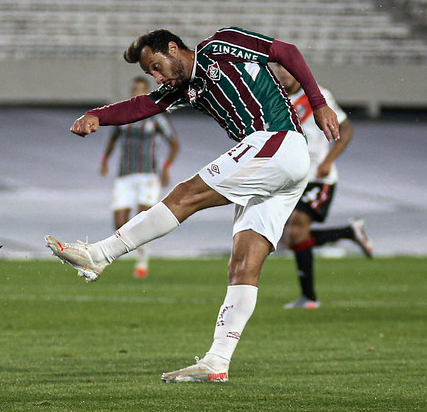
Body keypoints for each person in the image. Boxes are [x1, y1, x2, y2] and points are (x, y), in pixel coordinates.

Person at [45, 27, 339, 382]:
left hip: (276, 141)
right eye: (149, 73)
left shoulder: (221, 43)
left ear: (172, 48)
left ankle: (100, 255)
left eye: (156, 66)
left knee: (186, 194)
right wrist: (98, 115)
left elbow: (286, 52)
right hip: (281, 167)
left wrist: (319, 104)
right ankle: (218, 361)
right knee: (243, 264)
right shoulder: (183, 88)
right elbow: (144, 105)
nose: (156, 76)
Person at [273, 65, 373, 310]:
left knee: (296, 230)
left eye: (288, 71)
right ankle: (349, 232)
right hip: (291, 178)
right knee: (291, 237)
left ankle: (310, 298)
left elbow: (347, 129)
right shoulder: (274, 97)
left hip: (318, 177)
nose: (284, 75)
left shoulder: (317, 95)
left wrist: (328, 161)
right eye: (280, 71)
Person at [100, 77, 179, 278]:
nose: (138, 93)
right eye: (135, 90)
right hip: (124, 174)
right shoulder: (123, 115)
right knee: (119, 223)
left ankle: (142, 261)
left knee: (142, 221)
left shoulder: (156, 117)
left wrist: (166, 167)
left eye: (142, 90)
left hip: (148, 174)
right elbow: (113, 138)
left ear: (147, 92)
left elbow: (174, 143)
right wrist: (105, 159)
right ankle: (131, 252)